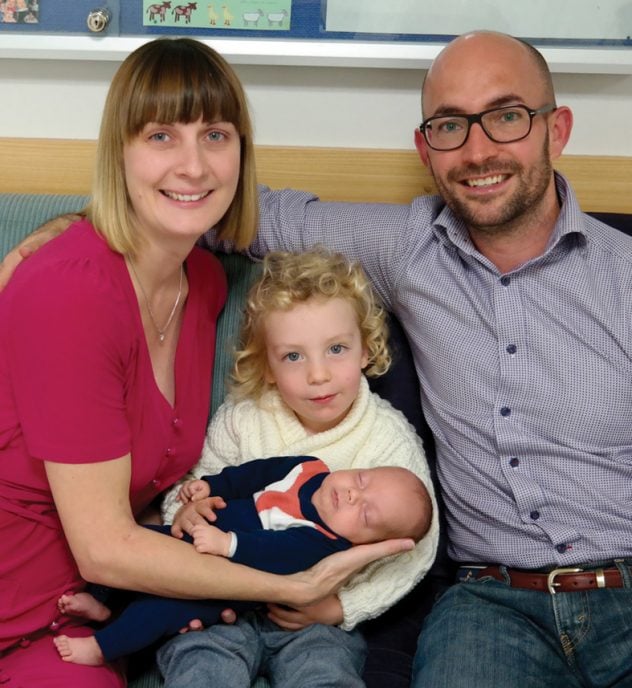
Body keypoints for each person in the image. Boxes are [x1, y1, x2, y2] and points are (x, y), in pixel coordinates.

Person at [4, 29, 631, 688]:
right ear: (425, 149)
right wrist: (80, 224)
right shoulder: (407, 247)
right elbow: (223, 209)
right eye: (450, 125)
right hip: (492, 601)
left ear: (556, 130)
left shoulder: (620, 276)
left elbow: (208, 198)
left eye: (507, 117)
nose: (477, 150)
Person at [0, 38, 412, 688]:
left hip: (73, 620)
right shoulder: (69, 291)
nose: (193, 166)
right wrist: (290, 580)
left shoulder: (205, 284)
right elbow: (104, 545)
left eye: (215, 134)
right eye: (161, 135)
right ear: (121, 153)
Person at [156, 247, 438, 688]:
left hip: (311, 617)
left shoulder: (387, 439)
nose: (318, 375)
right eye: (293, 357)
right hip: (221, 596)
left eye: (337, 349)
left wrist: (343, 607)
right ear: (266, 366)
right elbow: (199, 482)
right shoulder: (244, 418)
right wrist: (185, 509)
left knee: (324, 672)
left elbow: (414, 552)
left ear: (366, 349)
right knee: (201, 663)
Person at [54, 456, 433, 667]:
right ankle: (101, 603)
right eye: (363, 481)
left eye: (366, 515)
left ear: (362, 542)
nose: (352, 496)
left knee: (159, 609)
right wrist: (213, 487)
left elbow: (273, 554)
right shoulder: (310, 468)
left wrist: (228, 544)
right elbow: (256, 472)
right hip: (193, 536)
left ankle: (104, 646)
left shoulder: (324, 543)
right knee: (135, 546)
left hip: (223, 582)